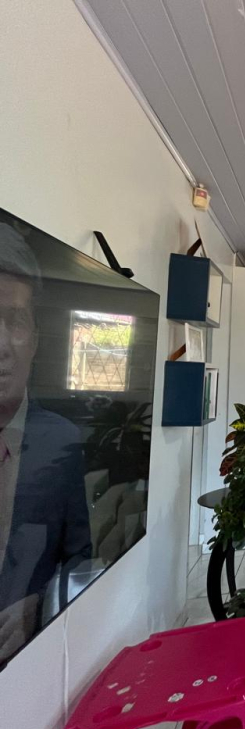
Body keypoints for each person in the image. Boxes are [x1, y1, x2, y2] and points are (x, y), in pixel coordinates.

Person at [0, 223, 91, 668]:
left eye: (15, 321)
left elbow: (80, 557)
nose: (1, 345)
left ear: (34, 339)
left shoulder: (61, 441)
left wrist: (39, 604)